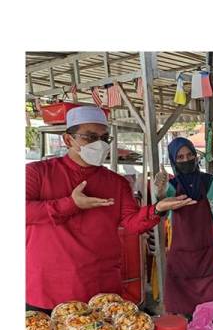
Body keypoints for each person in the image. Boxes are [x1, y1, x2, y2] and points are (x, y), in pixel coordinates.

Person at [26, 106, 195, 313]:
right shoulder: (37, 173)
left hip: (100, 289)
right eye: (90, 137)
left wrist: (157, 209)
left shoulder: (116, 182)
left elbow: (132, 223)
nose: (99, 144)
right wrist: (70, 204)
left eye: (105, 138)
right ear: (68, 140)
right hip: (49, 291)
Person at [154, 137, 213, 316]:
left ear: (196, 157)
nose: (186, 160)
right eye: (180, 157)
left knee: (212, 314)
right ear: (173, 161)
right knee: (181, 314)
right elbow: (158, 213)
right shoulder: (170, 188)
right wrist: (159, 191)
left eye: (189, 155)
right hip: (180, 260)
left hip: (208, 258)